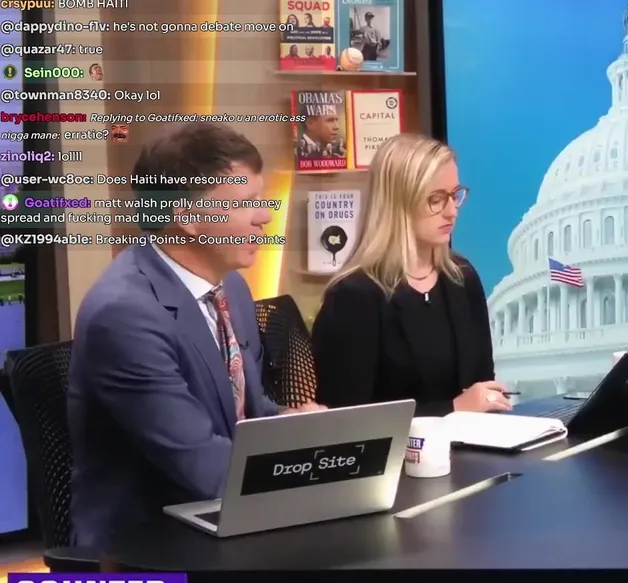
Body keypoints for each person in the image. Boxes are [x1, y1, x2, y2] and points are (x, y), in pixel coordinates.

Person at [67, 122, 322, 551]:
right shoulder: (125, 315)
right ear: (187, 218)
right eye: (247, 204)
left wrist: (297, 427)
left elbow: (247, 414)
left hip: (226, 517)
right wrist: (314, 465)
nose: (264, 217)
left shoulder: (231, 286)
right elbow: (203, 465)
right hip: (147, 547)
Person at [310, 134, 510, 416]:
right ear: (398, 204)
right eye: (436, 199)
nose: (451, 212)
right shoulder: (354, 297)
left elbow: (482, 386)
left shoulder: (462, 278)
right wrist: (452, 409)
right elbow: (348, 422)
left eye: (455, 195)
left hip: (471, 441)